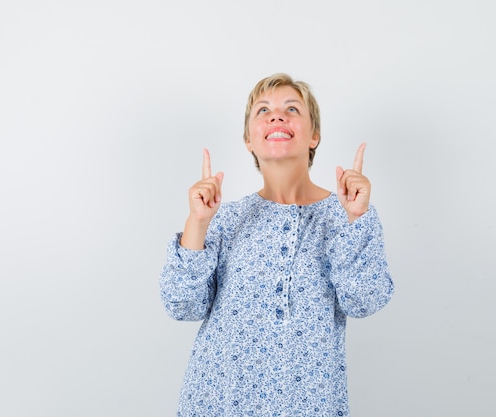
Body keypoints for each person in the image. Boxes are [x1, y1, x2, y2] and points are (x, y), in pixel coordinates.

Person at [160, 73, 394, 416]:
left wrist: (357, 218)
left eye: (292, 109)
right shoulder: (224, 219)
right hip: (219, 402)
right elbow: (182, 306)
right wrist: (197, 222)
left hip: (308, 404)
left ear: (314, 135)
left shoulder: (346, 216)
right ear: (248, 141)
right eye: (263, 110)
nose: (277, 116)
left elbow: (365, 300)